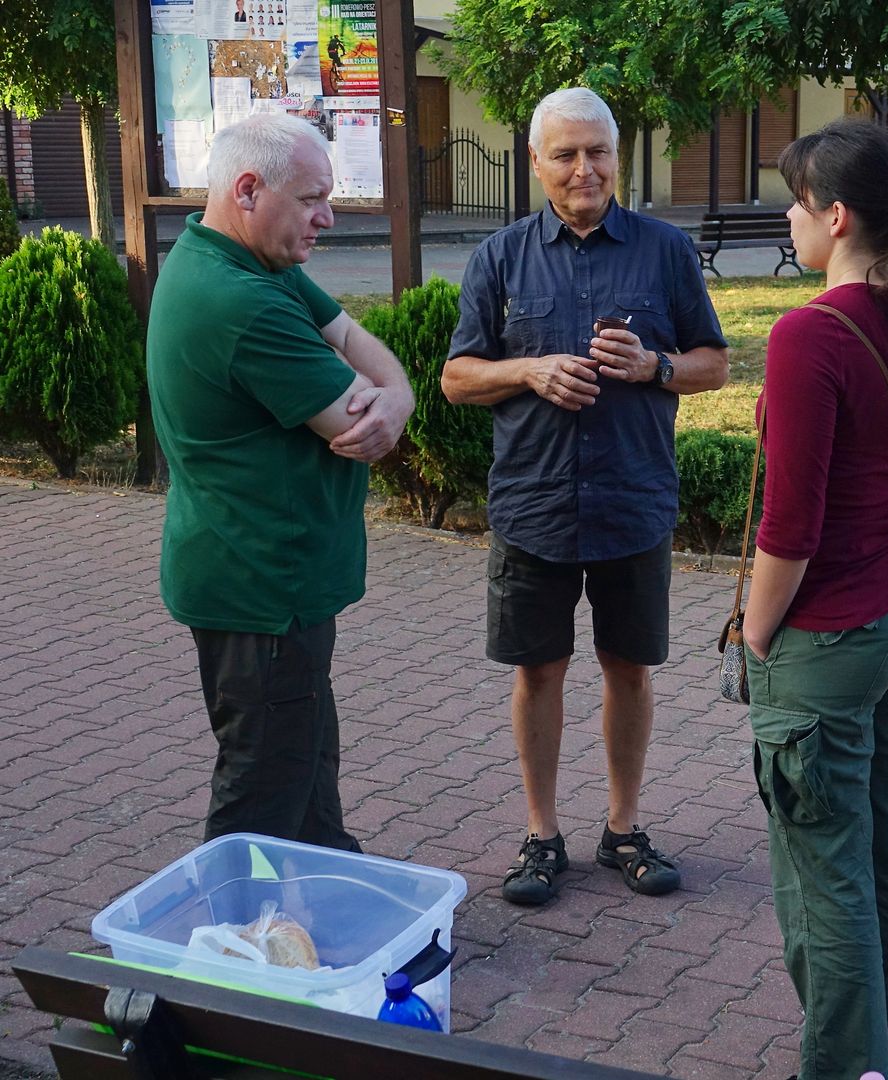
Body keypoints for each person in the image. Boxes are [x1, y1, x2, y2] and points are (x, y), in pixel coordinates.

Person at [442, 87, 728, 906]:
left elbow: (715, 362)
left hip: (633, 500)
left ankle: (624, 828)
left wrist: (655, 367)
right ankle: (541, 835)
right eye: (564, 154)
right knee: (538, 671)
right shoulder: (499, 258)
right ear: (536, 164)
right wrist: (528, 370)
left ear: (618, 157)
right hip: (532, 503)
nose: (583, 169)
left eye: (597, 151)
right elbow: (459, 377)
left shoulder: (665, 252)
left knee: (630, 668)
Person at [743, 118, 888, 1080]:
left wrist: (756, 639)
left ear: (835, 217)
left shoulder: (809, 334)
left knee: (825, 878)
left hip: (835, 631)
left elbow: (789, 529)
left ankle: (849, 1068)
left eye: (796, 203)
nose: (788, 220)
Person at [147, 112, 414, 849]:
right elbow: (352, 419)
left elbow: (362, 350)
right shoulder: (243, 302)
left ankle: (334, 889)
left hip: (265, 582)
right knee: (261, 790)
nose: (326, 217)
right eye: (312, 199)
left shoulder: (239, 262)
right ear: (247, 189)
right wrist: (389, 398)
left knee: (302, 761)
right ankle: (225, 950)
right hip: (260, 587)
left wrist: (400, 394)